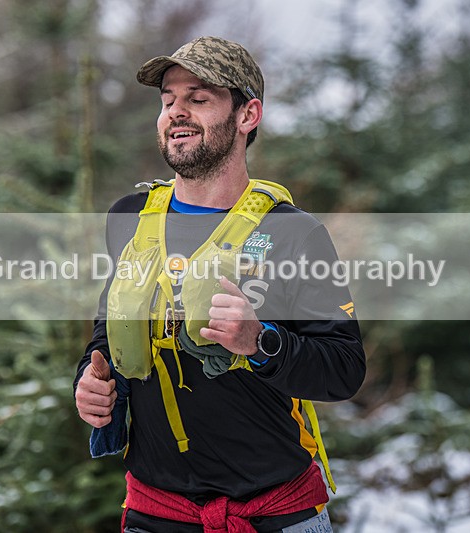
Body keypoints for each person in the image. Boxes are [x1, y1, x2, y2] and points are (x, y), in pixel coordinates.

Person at [74, 36, 366, 532]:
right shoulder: (128, 219)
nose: (176, 113)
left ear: (247, 114)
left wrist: (261, 342)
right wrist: (90, 380)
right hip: (155, 512)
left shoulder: (293, 232)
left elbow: (343, 369)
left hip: (275, 513)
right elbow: (108, 332)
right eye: (168, 100)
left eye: (199, 98)